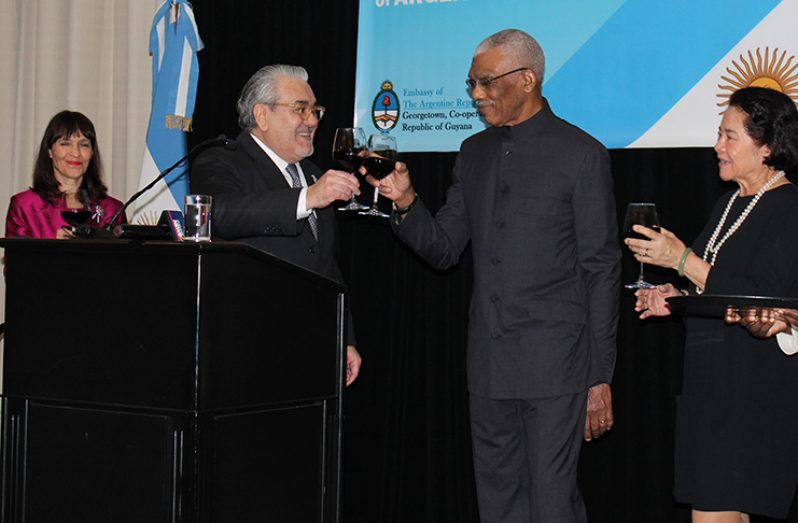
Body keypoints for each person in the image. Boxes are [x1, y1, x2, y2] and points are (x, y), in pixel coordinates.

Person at [366, 29, 620, 522]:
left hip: (557, 365)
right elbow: (443, 249)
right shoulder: (474, 153)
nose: (477, 95)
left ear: (527, 80)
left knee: (551, 504)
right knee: (499, 504)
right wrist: (405, 203)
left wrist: (599, 376)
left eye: (486, 82)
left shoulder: (581, 154)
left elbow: (602, 270)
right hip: (487, 364)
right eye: (471, 84)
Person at [627, 86, 798, 522]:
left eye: (729, 136)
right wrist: (678, 300)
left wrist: (681, 260)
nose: (717, 146)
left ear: (767, 147)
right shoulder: (729, 204)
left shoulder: (788, 208)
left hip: (749, 396)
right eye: (718, 134)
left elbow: (760, 295)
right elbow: (717, 292)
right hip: (711, 391)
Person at [190, 64, 362, 386]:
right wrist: (306, 199)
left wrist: (344, 336)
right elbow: (222, 214)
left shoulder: (312, 172)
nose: (312, 121)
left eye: (315, 111)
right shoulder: (220, 160)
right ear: (262, 115)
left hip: (314, 347)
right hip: (251, 348)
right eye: (300, 109)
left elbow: (327, 266)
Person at [6, 110, 126, 238]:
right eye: (65, 143)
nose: (75, 153)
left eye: (84, 145)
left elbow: (125, 257)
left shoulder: (112, 210)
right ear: (50, 151)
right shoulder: (25, 206)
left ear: (92, 153)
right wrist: (54, 248)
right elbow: (16, 257)